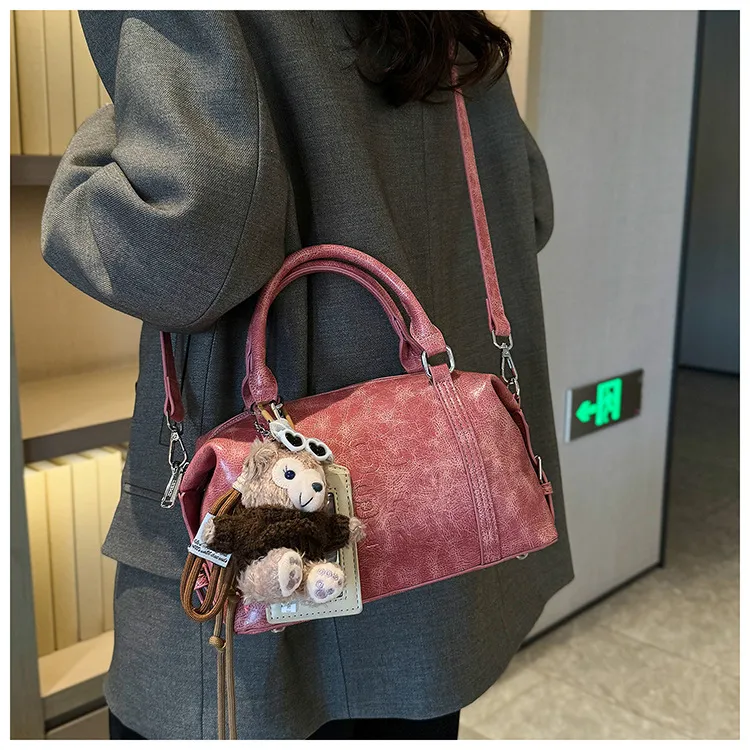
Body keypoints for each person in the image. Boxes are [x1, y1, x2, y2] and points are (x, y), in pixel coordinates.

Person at [41, 10, 574, 741]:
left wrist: (105, 143)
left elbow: (181, 249)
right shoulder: (450, 29)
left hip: (262, 564)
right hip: (434, 561)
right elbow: (529, 209)